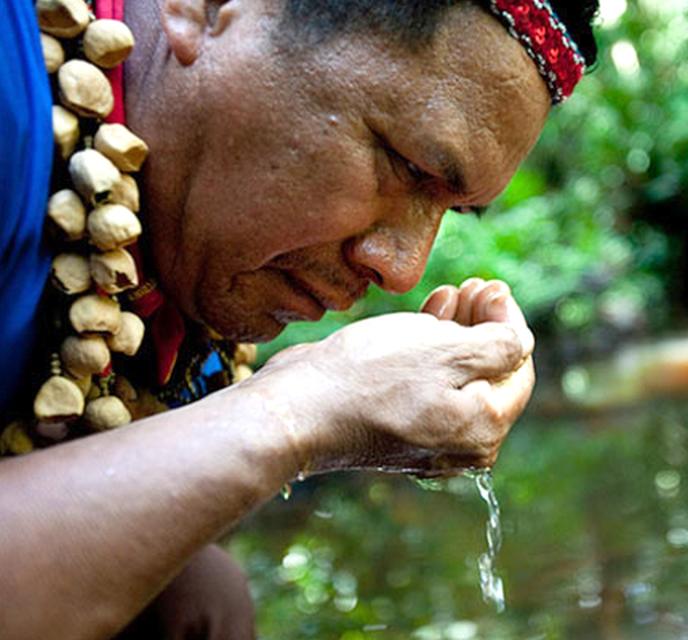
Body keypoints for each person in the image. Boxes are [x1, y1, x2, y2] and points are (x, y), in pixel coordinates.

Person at [0, 0, 598, 638]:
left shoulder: (179, 246)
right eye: (409, 167)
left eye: (454, 210)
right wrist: (299, 411)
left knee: (204, 596)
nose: (404, 270)